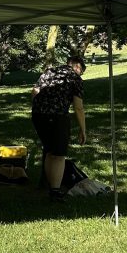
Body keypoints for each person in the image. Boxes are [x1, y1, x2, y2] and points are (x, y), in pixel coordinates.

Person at [32, 54, 87, 201]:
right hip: (57, 116)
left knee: (50, 151)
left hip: (38, 115)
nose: (80, 73)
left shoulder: (49, 72)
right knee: (59, 155)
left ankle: (50, 186)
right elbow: (78, 107)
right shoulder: (75, 78)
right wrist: (83, 129)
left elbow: (34, 92)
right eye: (81, 71)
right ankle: (55, 192)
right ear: (77, 66)